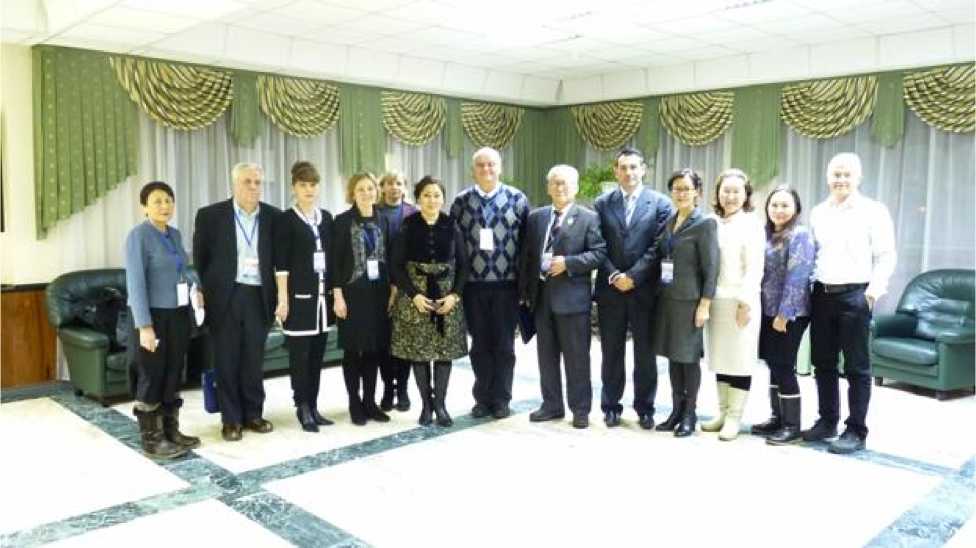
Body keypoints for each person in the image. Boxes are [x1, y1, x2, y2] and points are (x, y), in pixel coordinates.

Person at [805, 153, 896, 454]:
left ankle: (856, 430)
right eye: (836, 174)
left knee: (857, 367)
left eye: (847, 174)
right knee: (823, 363)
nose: (841, 179)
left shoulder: (873, 211)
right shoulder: (818, 212)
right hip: (821, 294)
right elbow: (814, 254)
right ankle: (827, 420)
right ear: (827, 177)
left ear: (858, 178)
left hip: (856, 295)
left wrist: (872, 293)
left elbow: (886, 255)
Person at [193, 163, 280, 442]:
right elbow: (200, 259)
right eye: (247, 181)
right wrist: (202, 290)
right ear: (234, 184)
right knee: (227, 360)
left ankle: (253, 414)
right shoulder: (210, 216)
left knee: (253, 360)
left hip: (259, 296)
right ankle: (231, 420)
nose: (253, 187)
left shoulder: (274, 217)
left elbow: (280, 261)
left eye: (257, 182)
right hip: (225, 297)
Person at [519, 165, 607, 429]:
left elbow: (599, 253)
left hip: (572, 301)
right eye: (555, 183)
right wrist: (524, 293)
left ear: (575, 188)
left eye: (565, 183)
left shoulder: (588, 218)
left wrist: (569, 263)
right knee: (546, 357)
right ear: (548, 187)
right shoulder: (536, 217)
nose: (560, 188)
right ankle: (552, 405)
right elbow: (527, 256)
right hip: (542, 298)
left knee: (577, 358)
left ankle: (580, 410)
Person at [592, 146, 673, 429]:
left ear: (643, 170)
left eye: (634, 167)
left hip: (645, 290)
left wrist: (634, 276)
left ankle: (645, 408)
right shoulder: (602, 203)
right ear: (616, 171)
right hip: (610, 289)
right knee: (611, 352)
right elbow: (597, 244)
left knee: (645, 354)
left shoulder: (661, 204)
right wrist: (615, 275)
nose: (629, 172)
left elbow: (658, 246)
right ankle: (610, 406)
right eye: (623, 167)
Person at [450, 147, 529, 419]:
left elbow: (526, 246)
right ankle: (482, 399)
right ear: (473, 169)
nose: (486, 169)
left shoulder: (517, 199)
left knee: (505, 346)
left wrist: (524, 287)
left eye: (491, 164)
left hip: (507, 286)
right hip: (473, 286)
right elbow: (454, 247)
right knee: (480, 345)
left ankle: (502, 399)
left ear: (500, 167)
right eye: (481, 165)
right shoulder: (461, 202)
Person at [125, 181, 201, 458]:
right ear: (144, 207)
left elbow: (181, 271)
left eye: (168, 200)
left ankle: (171, 431)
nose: (164, 206)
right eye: (157, 201)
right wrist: (144, 326)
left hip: (177, 314)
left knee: (173, 372)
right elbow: (135, 283)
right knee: (152, 374)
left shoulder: (174, 234)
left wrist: (195, 289)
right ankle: (152, 439)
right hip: (152, 316)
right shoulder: (138, 236)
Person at [390, 176, 468, 427]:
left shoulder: (452, 224)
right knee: (420, 353)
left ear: (443, 198)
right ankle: (426, 405)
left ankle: (441, 405)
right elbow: (395, 266)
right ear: (418, 198)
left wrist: (454, 295)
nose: (432, 200)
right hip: (416, 297)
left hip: (447, 296)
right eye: (426, 195)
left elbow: (464, 265)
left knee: (444, 352)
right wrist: (414, 295)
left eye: (436, 195)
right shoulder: (408, 225)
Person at [651, 169, 719, 438]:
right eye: (676, 188)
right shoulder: (670, 221)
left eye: (686, 189)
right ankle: (676, 410)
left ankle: (690, 413)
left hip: (690, 302)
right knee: (673, 357)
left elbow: (711, 268)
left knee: (688, 359)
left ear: (697, 192)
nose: (681, 193)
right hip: (667, 299)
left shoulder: (705, 223)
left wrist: (705, 305)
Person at [700, 169, 765, 441]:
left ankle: (735, 417)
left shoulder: (752, 224)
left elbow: (755, 268)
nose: (730, 196)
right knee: (720, 358)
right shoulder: (711, 222)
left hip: (740, 302)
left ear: (746, 195)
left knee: (740, 360)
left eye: (736, 191)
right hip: (715, 301)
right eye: (725, 190)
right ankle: (723, 412)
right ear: (717, 193)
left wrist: (745, 303)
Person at [273, 161, 335, 433]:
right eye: (303, 185)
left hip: (323, 302)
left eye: (313, 185)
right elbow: (281, 265)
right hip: (299, 301)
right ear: (293, 188)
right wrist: (283, 300)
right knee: (300, 358)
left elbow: (332, 259)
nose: (309, 190)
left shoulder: (327, 218)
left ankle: (314, 405)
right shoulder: (286, 220)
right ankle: (302, 407)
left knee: (317, 357)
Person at [753, 185, 815, 445]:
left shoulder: (800, 235)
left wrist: (784, 314)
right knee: (772, 363)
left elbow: (798, 277)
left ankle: (791, 426)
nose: (779, 210)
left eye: (785, 205)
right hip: (766, 309)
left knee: (783, 365)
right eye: (774, 205)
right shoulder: (766, 233)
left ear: (796, 209)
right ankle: (777, 418)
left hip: (791, 312)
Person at [331, 172, 395, 426]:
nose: (367, 193)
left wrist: (393, 291)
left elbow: (390, 258)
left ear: (377, 191)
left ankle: (370, 402)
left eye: (370, 188)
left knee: (373, 350)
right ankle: (354, 402)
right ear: (352, 193)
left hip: (378, 294)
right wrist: (337, 295)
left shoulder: (384, 220)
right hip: (351, 295)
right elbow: (335, 262)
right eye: (361, 189)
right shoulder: (342, 221)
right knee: (352, 351)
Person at [377, 171, 418, 413]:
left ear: (405, 187)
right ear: (382, 187)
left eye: (399, 183)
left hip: (406, 286)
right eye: (390, 183)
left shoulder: (413, 213)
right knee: (384, 342)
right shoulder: (373, 212)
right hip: (380, 286)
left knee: (405, 341)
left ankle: (402, 389)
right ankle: (387, 389)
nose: (394, 187)